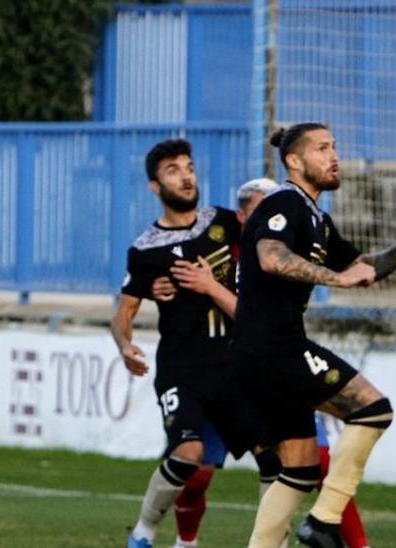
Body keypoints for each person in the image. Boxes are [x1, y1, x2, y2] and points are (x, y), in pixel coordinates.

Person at [234, 123, 396, 548]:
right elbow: (271, 257)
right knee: (374, 409)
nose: (334, 156)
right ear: (294, 160)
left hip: (259, 353)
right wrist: (337, 280)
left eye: (335, 147)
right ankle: (325, 522)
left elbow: (362, 267)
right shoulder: (285, 202)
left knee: (301, 467)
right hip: (274, 349)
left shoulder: (316, 218)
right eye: (322, 148)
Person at [155, 177, 370, 547]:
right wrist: (160, 287)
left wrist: (210, 288)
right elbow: (167, 263)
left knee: (309, 461)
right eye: (264, 210)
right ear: (243, 216)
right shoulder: (220, 249)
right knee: (197, 472)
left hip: (270, 365)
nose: (278, 219)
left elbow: (253, 316)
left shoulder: (283, 254)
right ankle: (183, 540)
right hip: (214, 372)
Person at [113, 139, 261, 548]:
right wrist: (125, 346)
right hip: (184, 369)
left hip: (235, 369)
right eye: (173, 170)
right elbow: (123, 311)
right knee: (188, 455)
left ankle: (191, 542)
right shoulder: (145, 251)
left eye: (189, 166)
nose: (186, 175)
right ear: (154, 187)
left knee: (273, 459)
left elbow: (265, 246)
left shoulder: (226, 221)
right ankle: (143, 531)